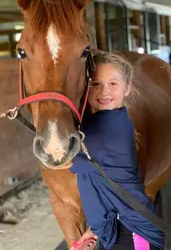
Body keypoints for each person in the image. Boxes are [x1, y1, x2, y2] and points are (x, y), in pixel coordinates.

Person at [69, 51, 164, 250]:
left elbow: (67, 158)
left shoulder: (113, 127)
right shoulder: (103, 121)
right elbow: (104, 188)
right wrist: (94, 231)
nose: (104, 92)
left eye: (113, 84)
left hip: (135, 232)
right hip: (121, 227)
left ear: (127, 88)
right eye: (96, 84)